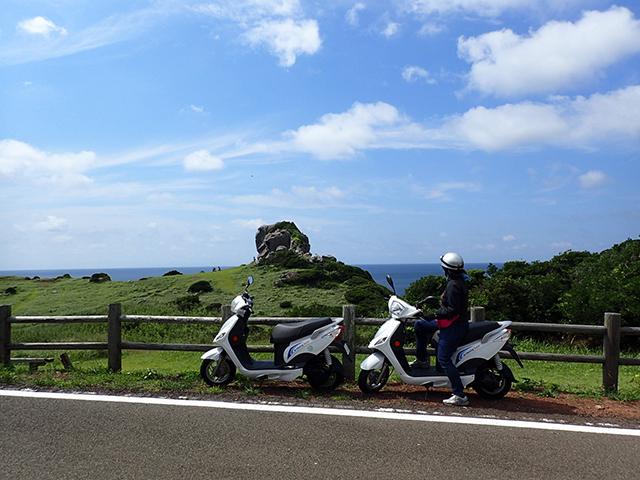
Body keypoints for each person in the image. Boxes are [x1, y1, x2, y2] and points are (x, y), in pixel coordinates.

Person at [411, 252, 470, 406]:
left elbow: (452, 310)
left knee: (444, 358)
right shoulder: (456, 281)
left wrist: (433, 315)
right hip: (448, 322)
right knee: (420, 325)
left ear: (447, 269)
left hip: (454, 325)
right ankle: (422, 361)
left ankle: (459, 395)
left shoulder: (454, 286)